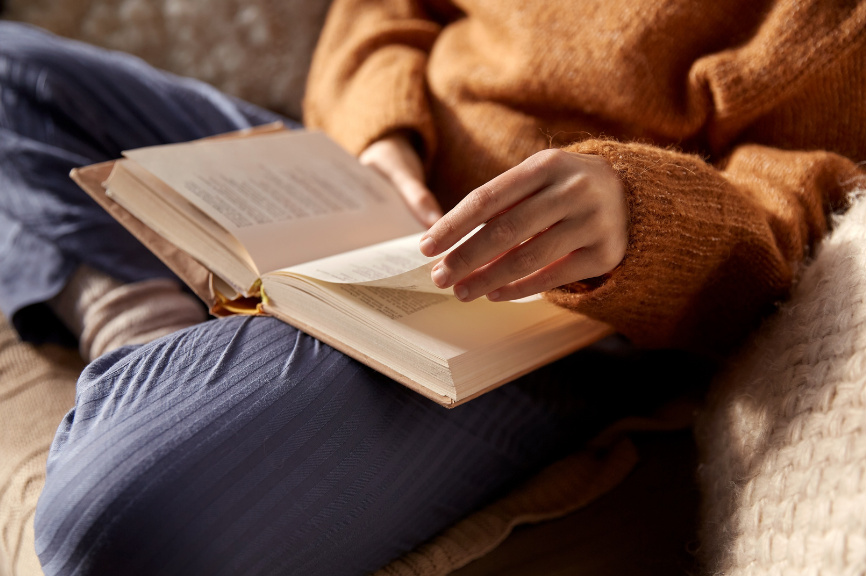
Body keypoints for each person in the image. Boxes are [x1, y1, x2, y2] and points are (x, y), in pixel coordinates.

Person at [0, 0, 862, 574]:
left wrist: (639, 212)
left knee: (112, 519)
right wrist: (384, 137)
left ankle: (157, 326)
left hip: (543, 310)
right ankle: (148, 325)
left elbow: (798, 209)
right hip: (360, 182)